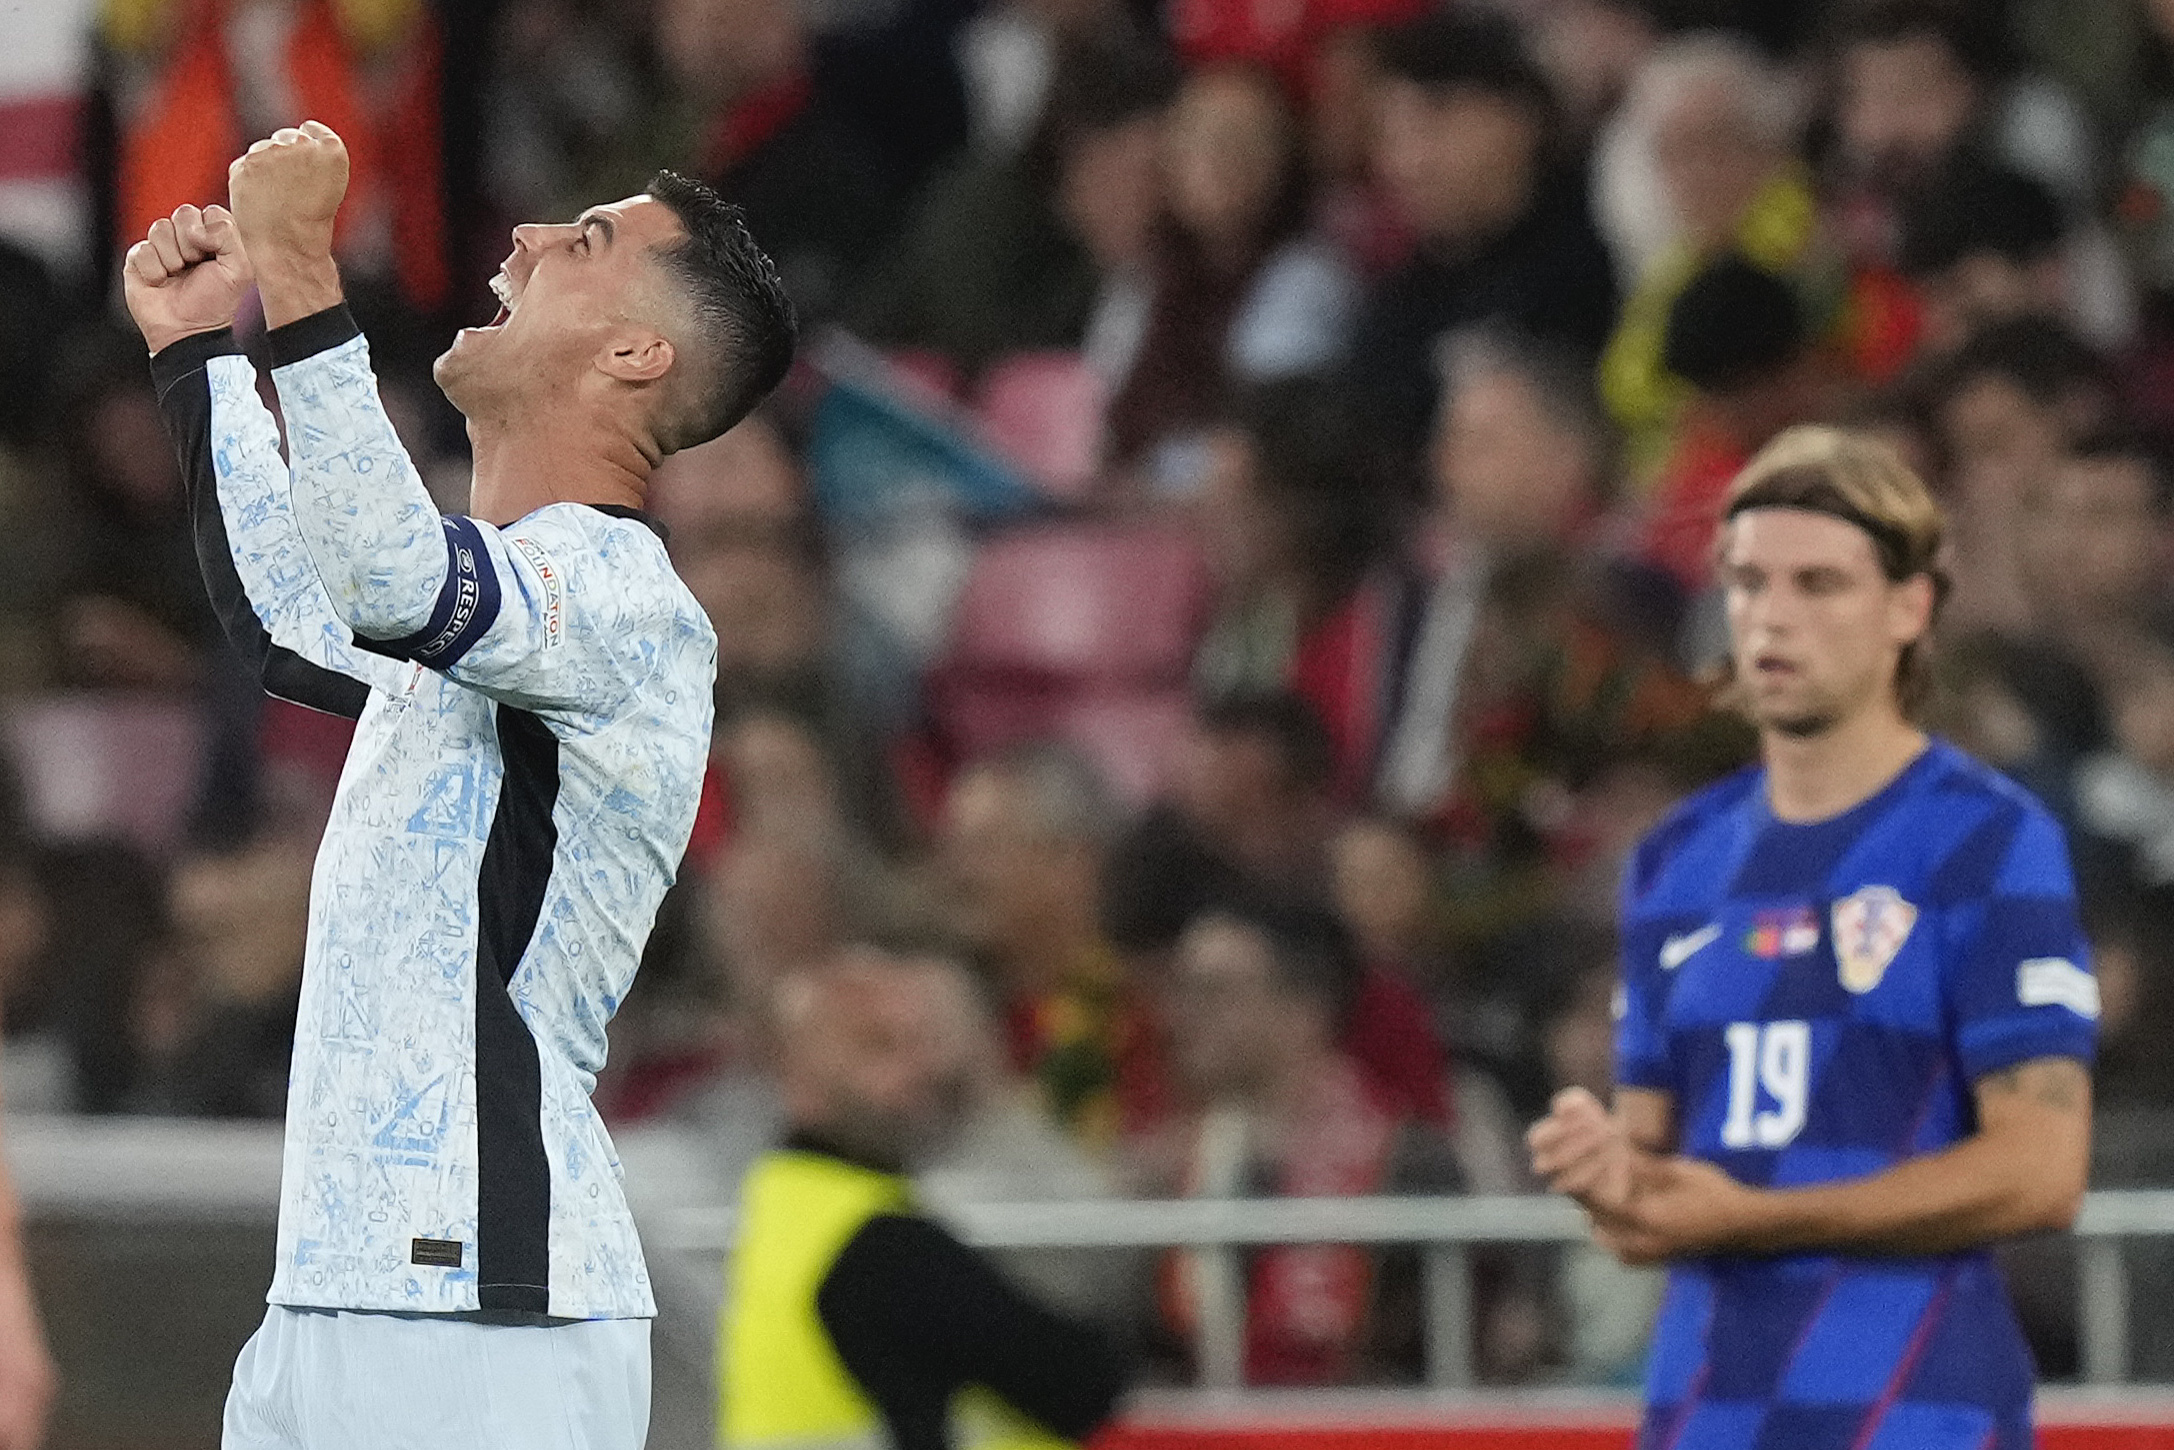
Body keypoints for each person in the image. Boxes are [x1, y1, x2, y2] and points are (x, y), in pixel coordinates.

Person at [123, 121, 794, 1449]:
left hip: (488, 1307)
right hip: (338, 1290)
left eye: (586, 241)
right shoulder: (483, 616)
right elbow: (292, 607)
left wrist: (307, 272)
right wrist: (202, 348)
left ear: (635, 355)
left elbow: (380, 577)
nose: (527, 238)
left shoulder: (622, 602)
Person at [1528, 425, 2100, 1449]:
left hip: (1910, 1409)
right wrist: (1605, 1175)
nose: (1770, 617)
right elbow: (1655, 1197)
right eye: (1747, 582)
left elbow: (2041, 1169)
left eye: (1817, 584)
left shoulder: (1983, 838)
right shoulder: (1674, 858)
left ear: (1907, 607)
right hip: (1708, 1409)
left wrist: (1749, 1217)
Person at [720, 948, 1131, 1450]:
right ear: (798, 1077)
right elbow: (1082, 1382)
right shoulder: (879, 1248)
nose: (917, 1071)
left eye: (919, 1042)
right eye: (878, 1047)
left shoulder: (787, 1203)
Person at [1138, 890, 1458, 1386]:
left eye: (1214, 991)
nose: (1184, 1014)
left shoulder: (1409, 1161)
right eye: (1182, 990)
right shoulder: (1169, 1168)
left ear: (1306, 1008)